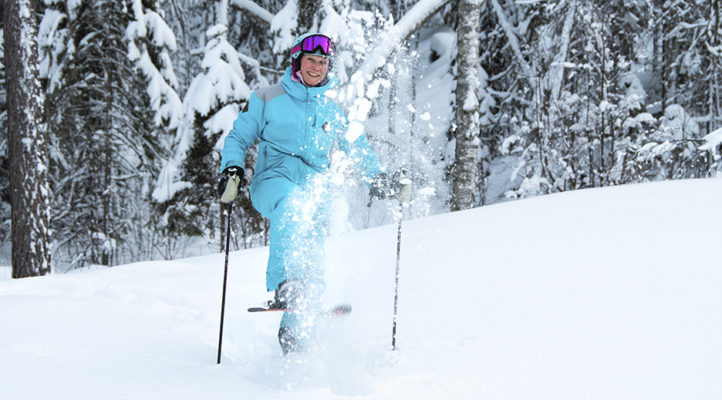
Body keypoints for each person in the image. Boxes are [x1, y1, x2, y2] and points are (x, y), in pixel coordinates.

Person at [216, 33, 406, 354]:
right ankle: (286, 284)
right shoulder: (267, 98)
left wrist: (378, 179)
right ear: (297, 62)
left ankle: (297, 326)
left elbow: (356, 145)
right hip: (272, 184)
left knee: (313, 240)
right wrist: (232, 168)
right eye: (310, 61)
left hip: (314, 188)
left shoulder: (331, 110)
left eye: (322, 62)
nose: (316, 68)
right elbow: (238, 137)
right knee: (294, 205)